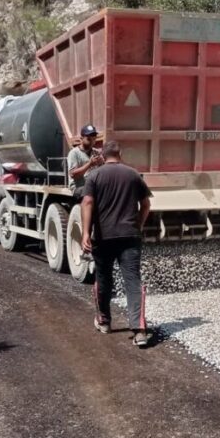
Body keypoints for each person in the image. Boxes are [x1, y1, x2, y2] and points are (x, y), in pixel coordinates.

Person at [80, 141, 152, 347]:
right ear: (120, 153)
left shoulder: (94, 176)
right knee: (132, 281)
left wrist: (86, 233)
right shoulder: (133, 175)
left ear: (102, 156)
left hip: (103, 238)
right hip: (129, 237)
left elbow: (87, 202)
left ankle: (104, 321)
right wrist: (138, 225)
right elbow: (146, 205)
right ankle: (139, 331)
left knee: (103, 279)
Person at [67, 124, 103, 199]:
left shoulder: (96, 152)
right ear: (81, 138)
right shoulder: (74, 153)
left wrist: (102, 164)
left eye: (93, 139)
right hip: (79, 188)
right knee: (93, 191)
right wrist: (90, 164)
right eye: (88, 139)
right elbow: (73, 174)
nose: (92, 142)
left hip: (93, 186)